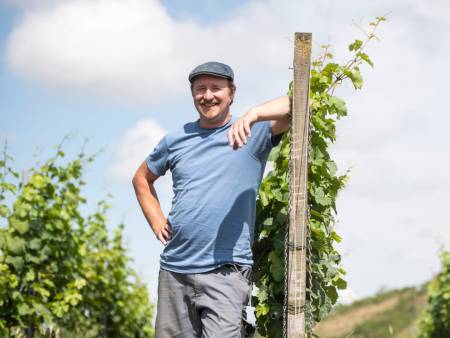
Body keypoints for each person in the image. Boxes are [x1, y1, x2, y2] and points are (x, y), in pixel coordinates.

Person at [132, 61, 291, 337]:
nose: (207, 95)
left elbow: (298, 103)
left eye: (216, 88)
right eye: (200, 89)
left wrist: (254, 113)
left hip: (226, 272)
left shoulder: (253, 132)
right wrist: (156, 220)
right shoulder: (176, 139)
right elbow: (141, 178)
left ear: (232, 92)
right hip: (174, 270)